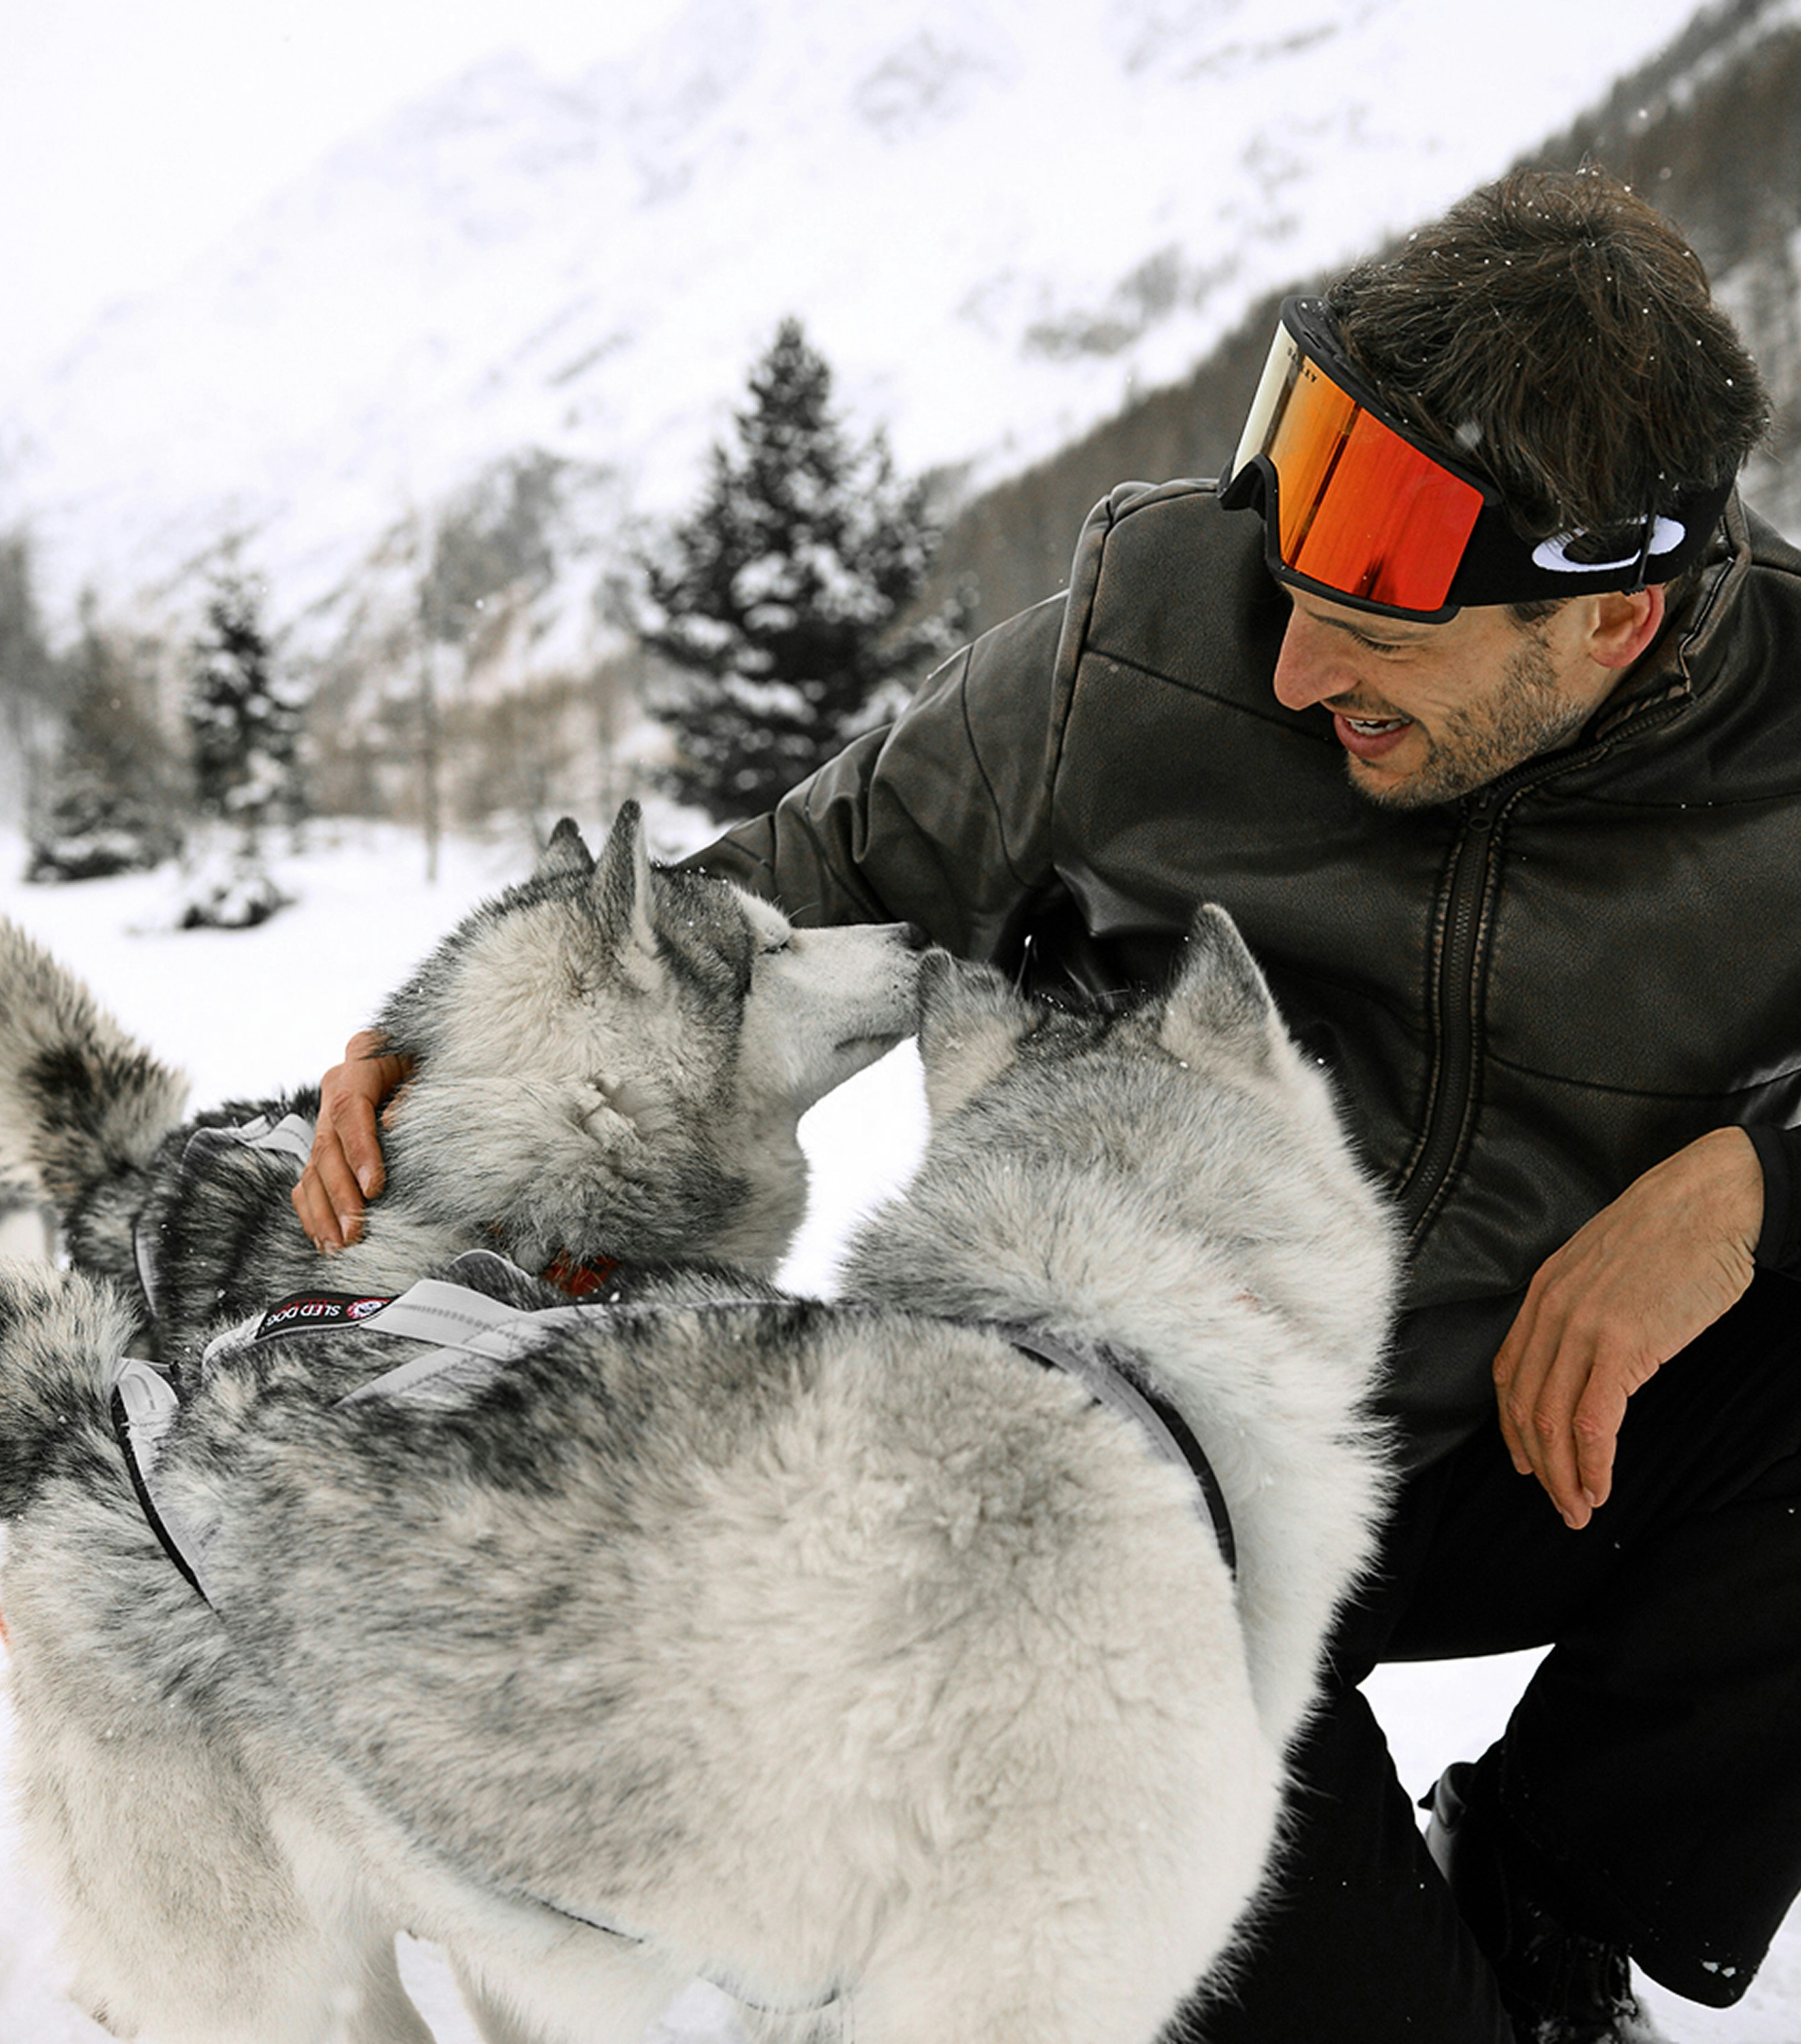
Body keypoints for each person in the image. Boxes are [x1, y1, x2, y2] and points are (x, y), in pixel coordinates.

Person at [296, 169, 1801, 2043]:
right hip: (1122, 1494)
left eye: (1382, 643)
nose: (1295, 666)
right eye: (1296, 601)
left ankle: (1557, 1892)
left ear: (1609, 619)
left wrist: (1757, 1182)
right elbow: (769, 893)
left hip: (1522, 1445)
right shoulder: (1147, 637)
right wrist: (448, 1049)